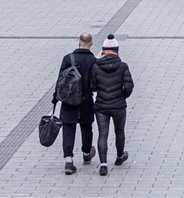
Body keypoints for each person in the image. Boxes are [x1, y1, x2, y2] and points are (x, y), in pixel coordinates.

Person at [53, 33, 97, 175]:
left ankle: (68, 160)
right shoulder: (94, 61)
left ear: (79, 43)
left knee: (68, 129)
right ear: (91, 43)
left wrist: (55, 98)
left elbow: (60, 80)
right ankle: (86, 152)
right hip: (86, 99)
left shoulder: (68, 59)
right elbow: (95, 84)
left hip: (68, 100)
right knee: (86, 126)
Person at [90, 35, 134, 175]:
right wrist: (122, 96)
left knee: (103, 133)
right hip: (119, 106)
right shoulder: (122, 66)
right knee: (119, 131)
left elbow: (92, 86)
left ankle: (103, 164)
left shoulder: (96, 66)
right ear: (116, 50)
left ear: (103, 50)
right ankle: (120, 157)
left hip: (101, 106)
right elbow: (129, 86)